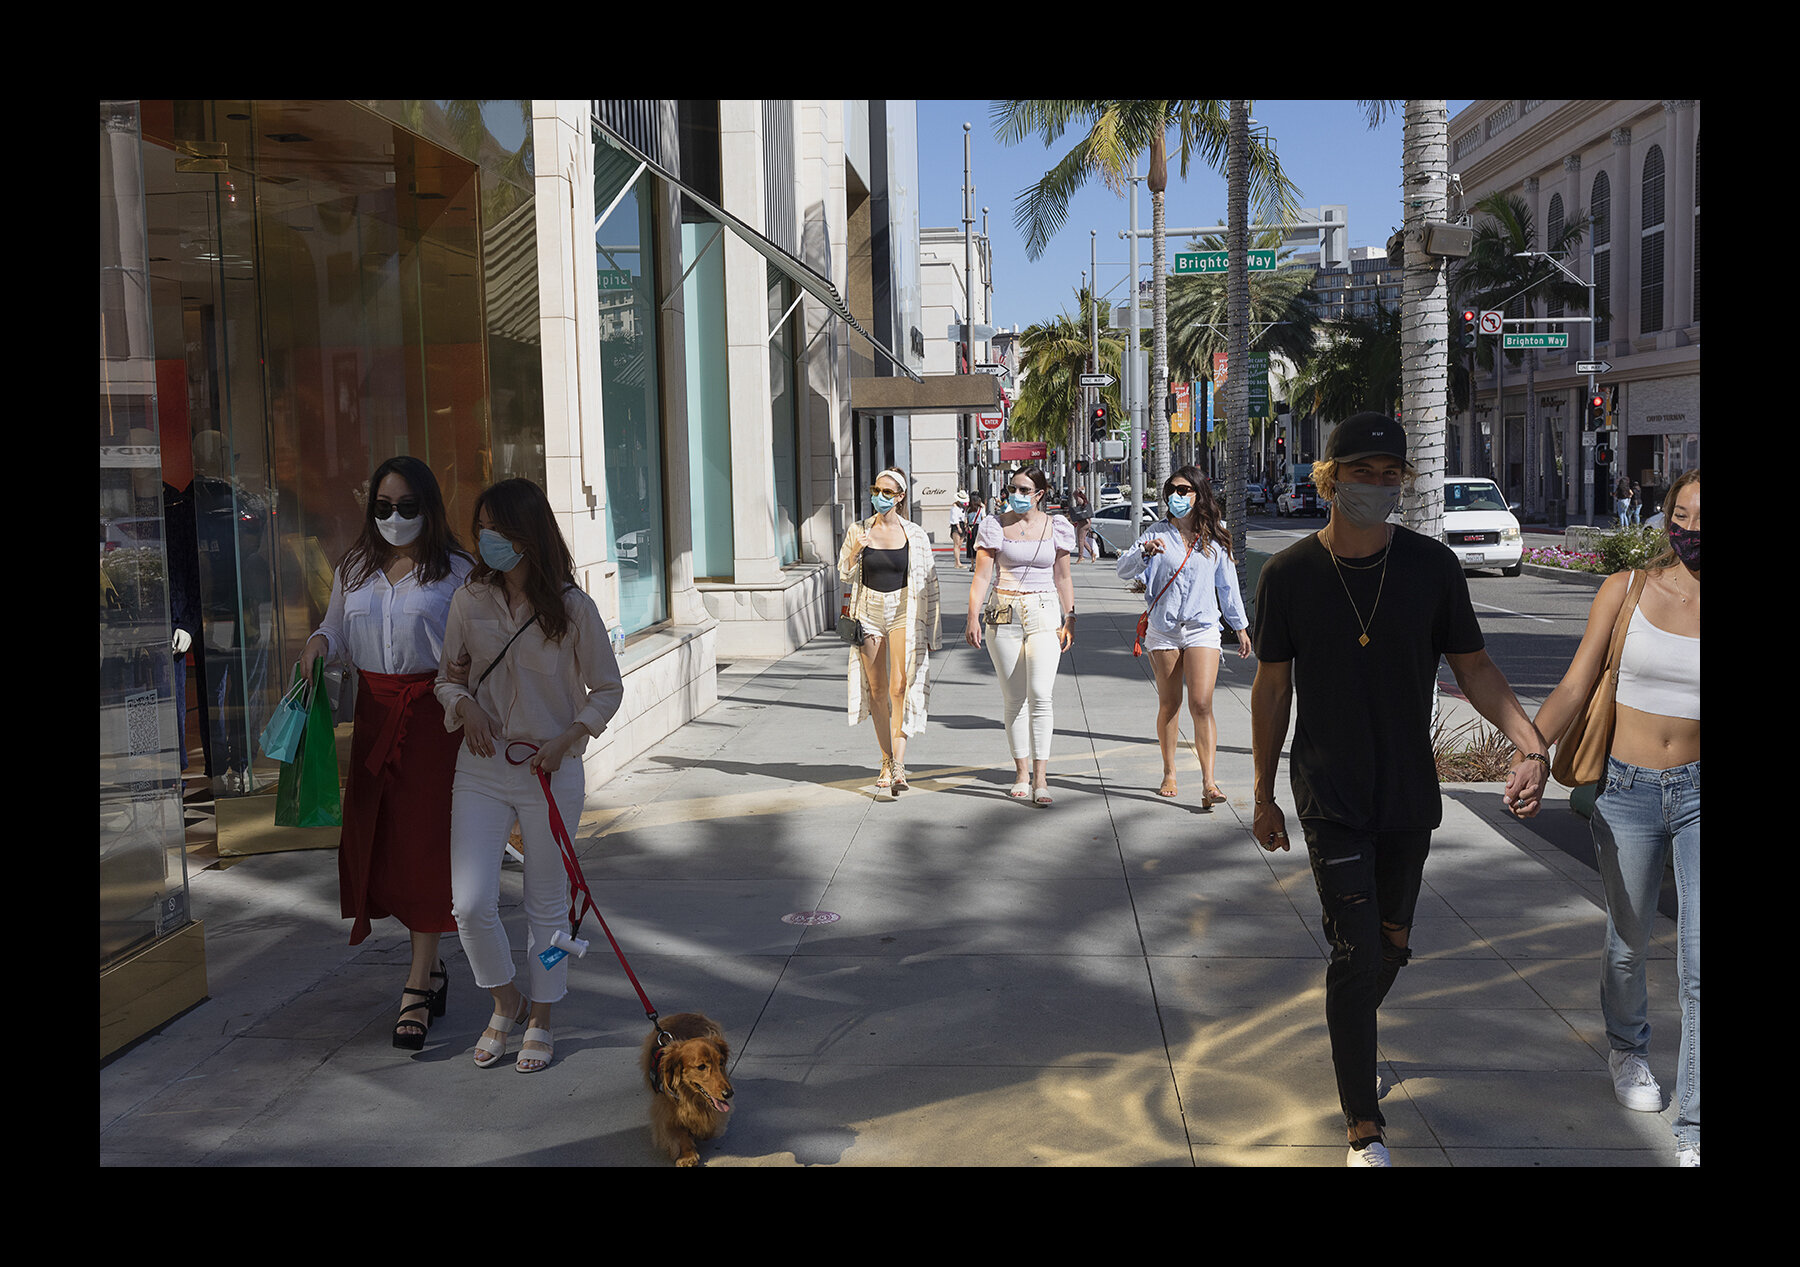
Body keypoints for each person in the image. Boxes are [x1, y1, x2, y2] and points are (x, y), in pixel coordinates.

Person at [1248, 413, 1551, 1167]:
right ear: (1330, 477)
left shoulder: (1431, 568)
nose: (1377, 487)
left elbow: (1473, 666)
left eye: (1391, 476)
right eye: (1363, 473)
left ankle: (1348, 1029)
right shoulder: (1288, 574)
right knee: (1354, 950)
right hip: (1327, 790)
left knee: (1390, 945)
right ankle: (1364, 1125)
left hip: (1407, 792)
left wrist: (1529, 739)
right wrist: (1261, 790)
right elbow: (1272, 687)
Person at [1532, 468, 1699, 1167]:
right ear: (1667, 516)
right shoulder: (1625, 588)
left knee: (1700, 959)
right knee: (1628, 939)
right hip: (1625, 789)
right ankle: (1628, 1051)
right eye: (1683, 514)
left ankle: (1693, 1124)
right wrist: (1531, 752)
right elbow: (1576, 680)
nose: (1691, 530)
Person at [435, 478, 624, 1073]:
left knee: (547, 905)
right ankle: (505, 1000)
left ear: (528, 534)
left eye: (498, 529)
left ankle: (542, 1014)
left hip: (552, 771)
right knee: (470, 902)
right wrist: (463, 709)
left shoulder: (573, 608)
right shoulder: (468, 599)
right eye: (482, 527)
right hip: (483, 769)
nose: (486, 539)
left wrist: (571, 736)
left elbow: (608, 688)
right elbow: (446, 677)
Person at [303, 456, 473, 1050]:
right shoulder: (354, 566)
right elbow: (335, 630)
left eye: (406, 506)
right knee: (384, 847)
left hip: (433, 719)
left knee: (426, 848)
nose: (394, 517)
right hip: (374, 716)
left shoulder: (457, 572)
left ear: (428, 506)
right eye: (383, 507)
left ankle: (416, 986)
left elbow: (477, 650)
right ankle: (431, 965)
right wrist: (318, 645)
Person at [1117, 466, 1251, 802]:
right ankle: (1169, 771)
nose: (1176, 497)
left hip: (1202, 626)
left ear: (1199, 494)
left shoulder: (1216, 536)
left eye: (1184, 490)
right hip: (1164, 629)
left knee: (1202, 702)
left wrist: (1241, 626)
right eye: (1172, 491)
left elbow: (1227, 584)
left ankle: (1209, 782)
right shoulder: (1155, 533)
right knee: (1170, 703)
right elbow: (1123, 570)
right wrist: (1144, 553)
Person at [966, 466, 1076, 805]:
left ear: (1040, 494)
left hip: (1044, 613)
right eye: (1013, 488)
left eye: (1025, 489)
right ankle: (1021, 773)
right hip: (1004, 613)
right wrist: (972, 615)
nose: (1017, 494)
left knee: (1041, 694)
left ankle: (1041, 778)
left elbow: (1062, 577)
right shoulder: (994, 525)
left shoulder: (1057, 527)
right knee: (1014, 698)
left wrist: (1070, 616)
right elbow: (983, 576)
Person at [837, 467, 942, 795]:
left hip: (903, 613)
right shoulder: (858, 530)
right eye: (875, 490)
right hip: (868, 613)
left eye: (886, 492)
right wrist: (857, 550)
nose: (878, 497)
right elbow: (844, 573)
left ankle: (898, 764)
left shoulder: (915, 535)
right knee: (877, 690)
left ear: (899, 497)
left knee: (900, 687)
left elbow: (930, 582)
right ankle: (886, 760)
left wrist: (933, 632)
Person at [948, 492, 968, 571]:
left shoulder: (962, 506)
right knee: (956, 544)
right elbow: (954, 517)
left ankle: (958, 562)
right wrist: (958, 527)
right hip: (957, 525)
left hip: (962, 524)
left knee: (960, 544)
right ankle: (957, 562)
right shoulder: (954, 506)